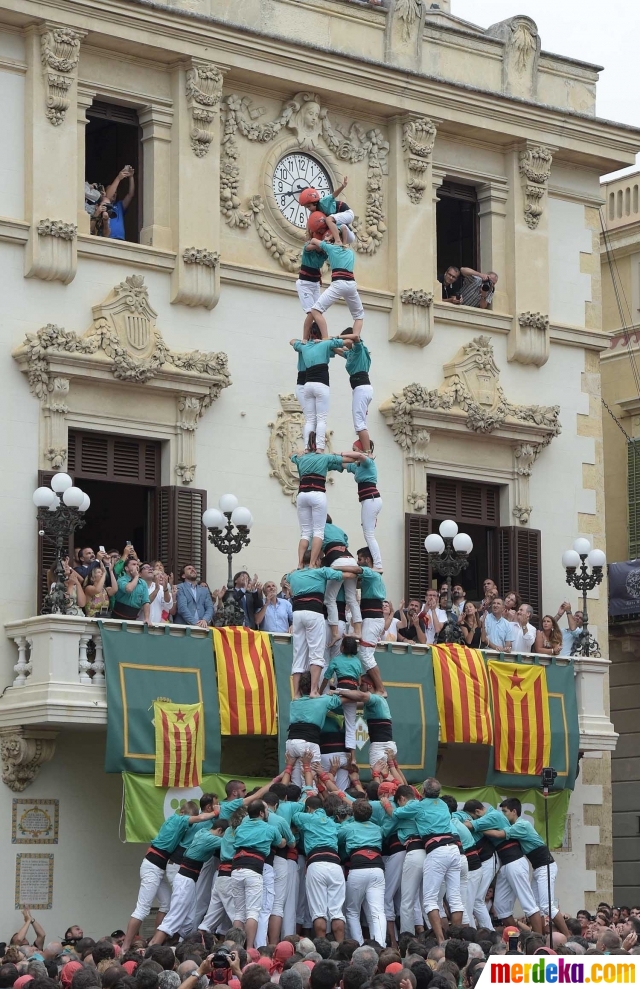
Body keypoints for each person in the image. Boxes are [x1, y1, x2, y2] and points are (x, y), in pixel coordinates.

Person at [121, 803, 219, 951]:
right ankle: (125, 947)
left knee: (166, 904)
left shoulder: (181, 827)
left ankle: (156, 939)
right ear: (182, 813)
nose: (188, 821)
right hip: (152, 866)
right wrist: (215, 812)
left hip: (159, 868)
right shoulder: (177, 820)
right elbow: (200, 817)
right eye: (188, 817)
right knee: (142, 909)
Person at [287, 552, 360, 697]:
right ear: (317, 560)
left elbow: (288, 577)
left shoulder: (293, 575)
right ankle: (314, 690)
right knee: (317, 653)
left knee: (299, 654)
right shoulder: (322, 571)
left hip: (297, 614)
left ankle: (295, 694)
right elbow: (349, 576)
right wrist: (356, 569)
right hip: (314, 613)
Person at [498, 798, 571, 937]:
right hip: (539, 869)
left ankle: (568, 936)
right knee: (538, 906)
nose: (503, 815)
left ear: (514, 811)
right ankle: (541, 938)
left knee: (547, 906)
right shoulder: (517, 827)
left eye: (505, 811)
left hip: (546, 867)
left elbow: (501, 833)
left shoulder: (521, 825)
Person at [149, 820, 228, 945]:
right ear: (219, 831)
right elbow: (229, 843)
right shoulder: (209, 838)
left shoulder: (202, 832)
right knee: (173, 919)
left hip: (189, 881)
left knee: (188, 922)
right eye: (222, 834)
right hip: (185, 881)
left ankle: (177, 948)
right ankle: (152, 949)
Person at [290, 448, 363, 568]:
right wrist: (342, 454)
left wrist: (299, 452)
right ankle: (313, 563)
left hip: (302, 494)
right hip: (318, 493)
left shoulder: (301, 458)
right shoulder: (325, 457)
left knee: (305, 533)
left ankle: (300, 563)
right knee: (319, 532)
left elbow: (290, 454)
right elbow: (350, 459)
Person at [230, 800, 287, 949]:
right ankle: (249, 949)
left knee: (239, 913)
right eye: (267, 810)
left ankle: (235, 948)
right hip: (254, 871)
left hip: (236, 869)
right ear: (261, 813)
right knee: (253, 912)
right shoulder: (269, 828)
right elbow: (281, 843)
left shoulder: (240, 828)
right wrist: (284, 840)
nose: (268, 813)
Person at [338, 800, 386, 946]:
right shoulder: (378, 829)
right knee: (378, 911)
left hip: (357, 868)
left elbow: (337, 840)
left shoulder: (347, 828)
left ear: (353, 814)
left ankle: (357, 946)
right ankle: (380, 945)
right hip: (378, 868)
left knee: (352, 911)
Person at [286, 671, 347, 785]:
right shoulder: (323, 700)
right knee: (312, 784)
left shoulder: (294, 702)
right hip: (308, 744)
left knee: (296, 785)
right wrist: (334, 691)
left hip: (291, 744)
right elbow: (346, 698)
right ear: (316, 685)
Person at [290, 327, 345, 452]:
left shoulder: (304, 346)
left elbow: (292, 341)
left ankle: (309, 445)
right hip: (312, 382)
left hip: (307, 383)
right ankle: (316, 445)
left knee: (311, 419)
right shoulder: (314, 345)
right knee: (317, 418)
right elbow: (341, 349)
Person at [307, 230, 365, 340]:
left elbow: (313, 240)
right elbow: (343, 229)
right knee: (359, 316)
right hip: (351, 284)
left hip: (338, 284)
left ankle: (325, 338)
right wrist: (336, 236)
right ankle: (356, 337)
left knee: (315, 310)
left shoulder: (331, 248)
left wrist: (327, 239)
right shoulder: (350, 253)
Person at [322, 518, 363, 644]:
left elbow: (314, 548)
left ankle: (335, 633)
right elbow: (346, 542)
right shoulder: (339, 529)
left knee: (329, 599)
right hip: (350, 559)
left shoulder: (319, 528)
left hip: (337, 561)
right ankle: (357, 630)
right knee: (351, 599)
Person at [355, 546, 389, 697]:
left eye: (360, 559)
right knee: (365, 653)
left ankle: (380, 688)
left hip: (372, 618)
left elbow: (354, 571)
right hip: (371, 618)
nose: (358, 562)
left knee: (365, 654)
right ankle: (375, 685)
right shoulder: (370, 577)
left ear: (367, 560)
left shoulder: (371, 573)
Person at [320, 636, 362, 754]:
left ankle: (336, 717)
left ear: (342, 647)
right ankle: (352, 758)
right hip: (353, 694)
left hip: (340, 691)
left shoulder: (336, 660)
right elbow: (359, 682)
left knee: (322, 708)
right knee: (350, 726)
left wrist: (319, 692)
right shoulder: (357, 661)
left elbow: (326, 678)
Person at [346, 449, 383, 570]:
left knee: (369, 534)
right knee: (368, 533)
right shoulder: (359, 467)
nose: (353, 451)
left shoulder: (368, 462)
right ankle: (377, 563)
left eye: (354, 449)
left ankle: (377, 564)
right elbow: (344, 464)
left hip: (371, 500)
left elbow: (359, 455)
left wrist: (340, 453)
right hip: (368, 501)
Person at [338, 331, 374, 454]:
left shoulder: (359, 349)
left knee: (359, 424)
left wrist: (338, 337)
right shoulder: (352, 353)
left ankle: (368, 452)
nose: (344, 345)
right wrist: (326, 343)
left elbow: (356, 337)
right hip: (361, 389)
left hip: (361, 388)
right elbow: (340, 351)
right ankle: (365, 449)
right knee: (360, 422)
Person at [90, 166, 135, 240]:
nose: (114, 193)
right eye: (113, 191)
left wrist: (131, 177)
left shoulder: (119, 205)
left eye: (116, 192)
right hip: (107, 239)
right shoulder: (101, 205)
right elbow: (108, 196)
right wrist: (119, 178)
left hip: (121, 240)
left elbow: (131, 194)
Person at [296, 238, 328, 340]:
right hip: (304, 284)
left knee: (318, 311)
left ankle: (320, 336)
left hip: (315, 284)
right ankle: (304, 338)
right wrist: (319, 244)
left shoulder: (324, 253)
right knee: (311, 312)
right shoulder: (309, 249)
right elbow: (308, 247)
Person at [112, 557, 149, 621]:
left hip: (133, 618)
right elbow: (129, 589)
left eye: (137, 565)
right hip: (117, 618)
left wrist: (147, 618)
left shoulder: (143, 583)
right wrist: (136, 576)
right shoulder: (121, 580)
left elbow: (146, 602)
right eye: (134, 564)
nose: (137, 566)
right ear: (126, 568)